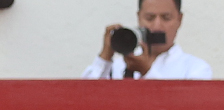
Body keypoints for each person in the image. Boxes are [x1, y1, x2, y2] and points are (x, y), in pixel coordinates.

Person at [82, 0, 210, 80]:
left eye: (166, 18)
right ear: (139, 17)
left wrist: (147, 72)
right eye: (149, 18)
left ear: (179, 20)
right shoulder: (117, 66)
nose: (157, 26)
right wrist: (105, 57)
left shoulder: (195, 69)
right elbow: (83, 99)